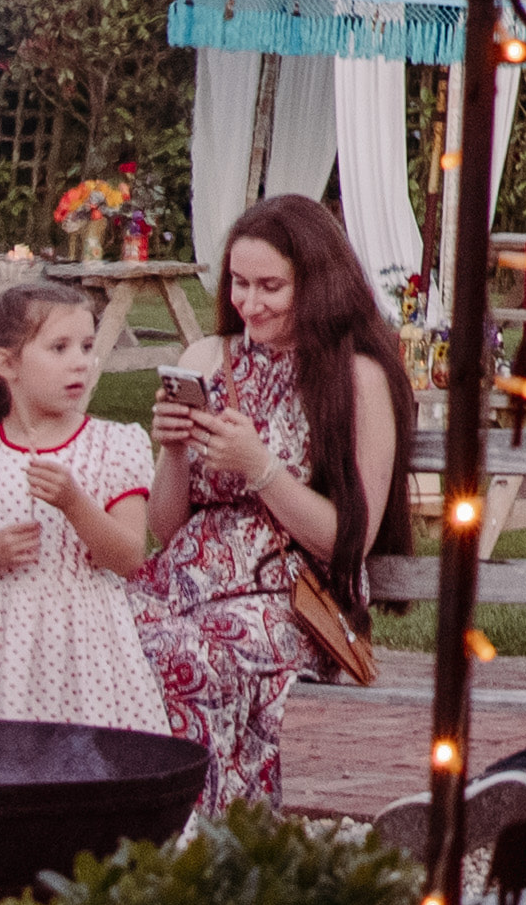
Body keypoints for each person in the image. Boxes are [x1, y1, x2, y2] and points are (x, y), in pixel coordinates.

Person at [142, 194, 417, 815]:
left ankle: (208, 836)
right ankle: (115, 839)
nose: (250, 303)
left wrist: (260, 468)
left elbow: (351, 541)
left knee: (186, 653)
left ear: (317, 284)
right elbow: (165, 528)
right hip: (181, 582)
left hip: (288, 597)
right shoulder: (204, 359)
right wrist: (175, 451)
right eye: (239, 283)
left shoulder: (358, 377)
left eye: (271, 286)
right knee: (106, 637)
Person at [0, 273, 171, 739]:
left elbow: (131, 558)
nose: (80, 363)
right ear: (7, 364)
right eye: (59, 349)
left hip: (89, 648)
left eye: (87, 347)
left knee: (89, 768)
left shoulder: (114, 446)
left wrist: (75, 504)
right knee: (1, 768)